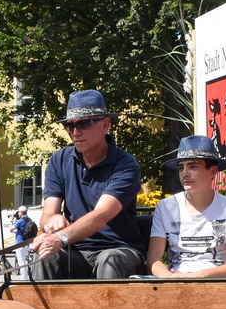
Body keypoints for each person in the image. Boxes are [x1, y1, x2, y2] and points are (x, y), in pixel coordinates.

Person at [31, 90, 145, 279]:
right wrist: (52, 221)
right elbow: (47, 215)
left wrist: (60, 237)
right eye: (70, 125)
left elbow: (101, 215)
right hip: (73, 252)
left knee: (110, 260)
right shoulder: (59, 159)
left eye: (84, 123)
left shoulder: (125, 165)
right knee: (44, 256)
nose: (75, 132)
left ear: (105, 125)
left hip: (119, 249)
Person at [146, 136, 226, 279]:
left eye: (193, 166)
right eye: (181, 167)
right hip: (174, 282)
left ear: (212, 172)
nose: (184, 173)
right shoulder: (166, 207)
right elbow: (153, 260)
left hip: (216, 283)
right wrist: (167, 277)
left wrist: (199, 276)